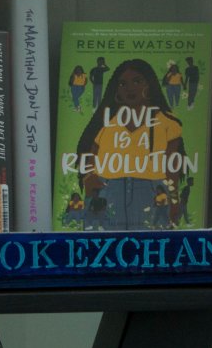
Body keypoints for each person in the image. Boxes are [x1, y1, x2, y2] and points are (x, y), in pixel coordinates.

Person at [76, 58, 190, 231]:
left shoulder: (167, 122)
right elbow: (91, 154)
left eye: (137, 81)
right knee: (100, 247)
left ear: (150, 85)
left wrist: (174, 201)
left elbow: (172, 166)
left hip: (153, 192)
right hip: (107, 192)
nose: (130, 88)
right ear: (116, 90)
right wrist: (90, 181)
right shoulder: (106, 121)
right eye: (122, 84)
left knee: (153, 247)